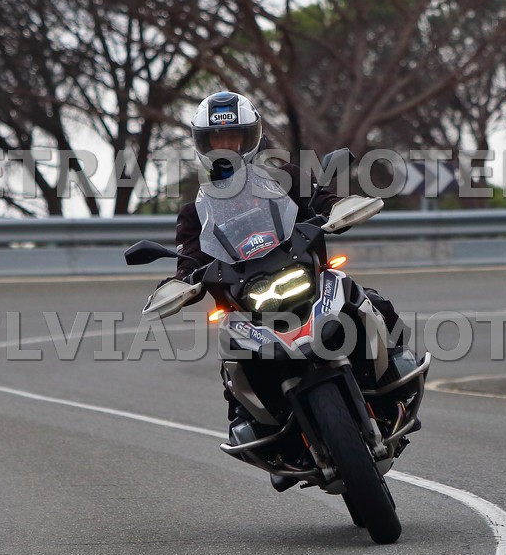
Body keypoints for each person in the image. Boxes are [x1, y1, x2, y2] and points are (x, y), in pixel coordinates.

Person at [172, 91, 420, 455]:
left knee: (368, 300)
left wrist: (340, 207)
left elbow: (321, 200)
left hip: (306, 277)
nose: (225, 146)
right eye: (217, 138)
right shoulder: (195, 213)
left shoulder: (285, 177)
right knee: (232, 355)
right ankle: (257, 426)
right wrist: (180, 282)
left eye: (233, 137)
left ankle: (397, 378)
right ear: (203, 144)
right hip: (248, 301)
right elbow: (189, 259)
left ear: (250, 138)